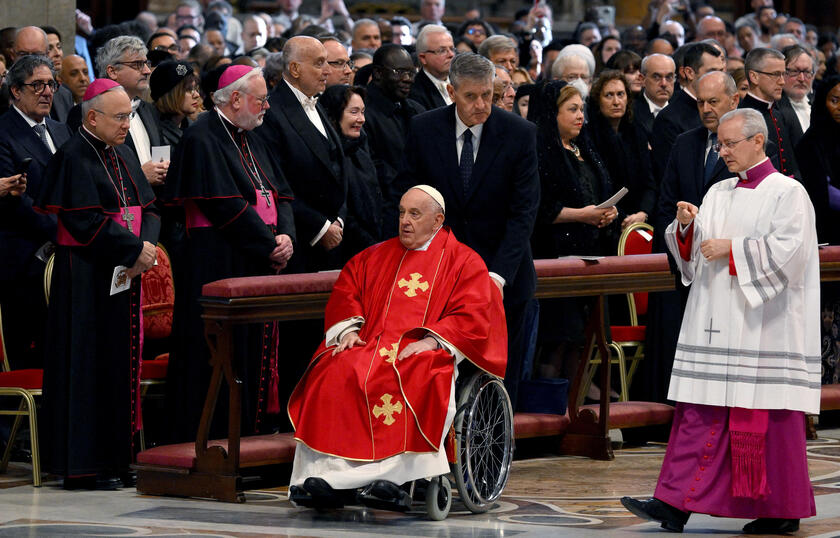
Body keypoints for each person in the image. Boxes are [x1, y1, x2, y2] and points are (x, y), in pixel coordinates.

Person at [621, 108, 819, 535]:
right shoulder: (718, 191)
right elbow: (692, 257)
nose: (722, 150)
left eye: (730, 144)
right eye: (720, 143)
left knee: (769, 423)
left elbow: (792, 253)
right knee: (699, 416)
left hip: (764, 327)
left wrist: (732, 249)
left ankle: (780, 509)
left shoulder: (789, 193)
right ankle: (673, 504)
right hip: (714, 324)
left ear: (757, 142)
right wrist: (686, 228)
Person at [287, 185, 506, 511]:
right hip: (369, 343)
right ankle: (324, 478)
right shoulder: (375, 256)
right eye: (402, 212)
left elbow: (473, 313)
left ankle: (391, 480)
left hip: (422, 348)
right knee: (334, 368)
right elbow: (348, 290)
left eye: (415, 214)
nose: (404, 221)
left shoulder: (463, 262)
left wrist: (432, 340)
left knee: (416, 371)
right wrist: (349, 329)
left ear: (438, 220)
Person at [36, 79, 160, 490]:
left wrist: (147, 246)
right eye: (120, 116)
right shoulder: (73, 157)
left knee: (118, 366)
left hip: (123, 273)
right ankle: (84, 466)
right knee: (88, 367)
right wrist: (133, 250)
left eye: (130, 116)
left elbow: (149, 208)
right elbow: (83, 221)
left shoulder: (122, 152)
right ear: (92, 117)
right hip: (86, 278)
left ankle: (117, 460)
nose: (127, 124)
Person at [163, 65, 296, 441]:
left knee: (252, 354)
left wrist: (286, 236)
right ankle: (215, 440)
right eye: (261, 99)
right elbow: (224, 207)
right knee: (217, 357)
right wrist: (270, 245)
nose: (267, 106)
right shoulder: (203, 138)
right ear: (235, 99)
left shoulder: (252, 136)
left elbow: (280, 194)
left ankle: (251, 435)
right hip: (217, 261)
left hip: (255, 259)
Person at [401, 53, 539, 410]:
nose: (481, 105)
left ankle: (493, 454)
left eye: (488, 96)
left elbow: (523, 212)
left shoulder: (519, 133)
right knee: (442, 369)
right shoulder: (423, 128)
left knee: (498, 375)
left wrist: (496, 276)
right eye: (471, 97)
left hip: (503, 272)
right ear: (451, 91)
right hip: (442, 273)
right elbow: (410, 197)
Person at [641, 71, 741, 403]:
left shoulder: (752, 148)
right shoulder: (686, 142)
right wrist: (684, 226)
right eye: (700, 102)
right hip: (683, 260)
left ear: (734, 100)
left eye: (714, 101)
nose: (706, 109)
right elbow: (666, 202)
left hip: (726, 267)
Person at [530, 81, 618, 382]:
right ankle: (552, 408)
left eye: (582, 109)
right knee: (558, 339)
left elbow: (598, 190)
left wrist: (608, 213)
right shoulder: (540, 150)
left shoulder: (584, 147)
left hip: (591, 252)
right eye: (572, 109)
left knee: (582, 339)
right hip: (554, 254)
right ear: (552, 113)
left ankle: (577, 406)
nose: (580, 115)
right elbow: (538, 208)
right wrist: (584, 215)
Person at [0, 55, 72, 371]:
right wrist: (65, 229)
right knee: (31, 353)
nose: (46, 92)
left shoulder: (62, 130)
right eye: (37, 85)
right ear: (15, 91)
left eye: (51, 84)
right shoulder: (3, 131)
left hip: (66, 256)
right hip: (25, 260)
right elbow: (17, 201)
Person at [254, 36, 347, 272]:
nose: (327, 71)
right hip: (301, 243)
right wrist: (320, 227)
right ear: (295, 69)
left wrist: (338, 219)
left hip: (334, 234)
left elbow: (338, 170)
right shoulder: (272, 113)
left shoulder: (318, 103)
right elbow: (277, 183)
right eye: (319, 63)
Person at [68, 36, 169, 190]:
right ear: (113, 71)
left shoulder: (149, 109)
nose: (147, 71)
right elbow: (87, 171)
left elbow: (160, 157)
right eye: (138, 64)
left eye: (146, 63)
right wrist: (139, 176)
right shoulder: (86, 112)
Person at [364, 44, 425, 229]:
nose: (408, 79)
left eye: (411, 72)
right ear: (378, 73)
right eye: (399, 72)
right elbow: (372, 166)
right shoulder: (362, 112)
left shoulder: (417, 110)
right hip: (383, 213)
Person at [319, 84, 385, 258]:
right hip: (343, 252)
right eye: (354, 112)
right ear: (334, 115)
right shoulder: (326, 154)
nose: (362, 119)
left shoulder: (361, 149)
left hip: (374, 247)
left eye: (363, 112)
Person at [587, 70, 656, 229]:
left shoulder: (637, 132)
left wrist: (643, 212)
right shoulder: (588, 136)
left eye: (621, 94)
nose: (616, 101)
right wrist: (622, 215)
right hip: (605, 222)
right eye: (609, 95)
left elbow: (650, 182)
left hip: (640, 219)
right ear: (598, 100)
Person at [651, 42, 725, 181]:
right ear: (689, 73)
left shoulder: (727, 110)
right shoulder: (669, 118)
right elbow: (670, 176)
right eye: (712, 72)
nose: (719, 79)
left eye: (721, 71)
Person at [740, 47, 802, 179]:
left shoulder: (778, 113)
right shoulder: (741, 117)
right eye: (775, 74)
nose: (782, 81)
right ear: (754, 77)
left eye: (783, 74)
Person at [797, 74, 840, 245]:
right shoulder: (809, 143)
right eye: (835, 100)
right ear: (823, 102)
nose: (839, 107)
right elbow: (822, 191)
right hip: (826, 230)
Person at [150, 60, 201, 147]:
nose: (197, 95)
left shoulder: (193, 127)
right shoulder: (153, 132)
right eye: (189, 89)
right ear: (170, 95)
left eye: (195, 89)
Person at [409, 25, 454, 111]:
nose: (451, 55)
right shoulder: (414, 92)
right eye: (442, 50)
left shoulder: (461, 82)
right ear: (423, 58)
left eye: (452, 49)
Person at [634, 53, 676, 141]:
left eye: (669, 77)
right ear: (642, 79)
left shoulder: (682, 110)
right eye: (656, 77)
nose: (664, 84)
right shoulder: (631, 113)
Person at [781, 44, 815, 132]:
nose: (802, 78)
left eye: (807, 72)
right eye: (795, 71)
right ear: (781, 73)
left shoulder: (819, 104)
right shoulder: (774, 109)